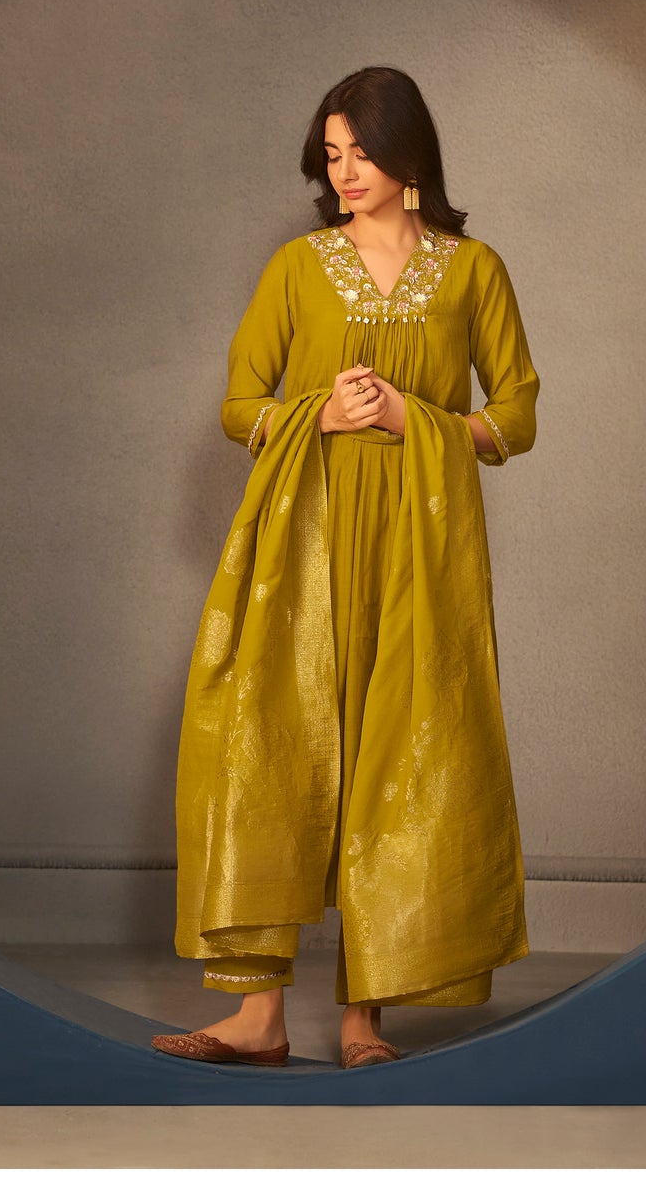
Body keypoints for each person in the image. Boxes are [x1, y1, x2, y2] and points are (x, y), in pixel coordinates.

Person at [151, 65, 539, 1069]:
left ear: (409, 153)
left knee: (399, 756)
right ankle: (258, 1018)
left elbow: (517, 416)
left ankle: (366, 1019)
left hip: (418, 551)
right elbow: (240, 405)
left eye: (362, 150)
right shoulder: (297, 267)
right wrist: (317, 412)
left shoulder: (473, 271)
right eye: (331, 155)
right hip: (302, 544)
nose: (346, 171)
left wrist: (415, 417)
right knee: (268, 751)